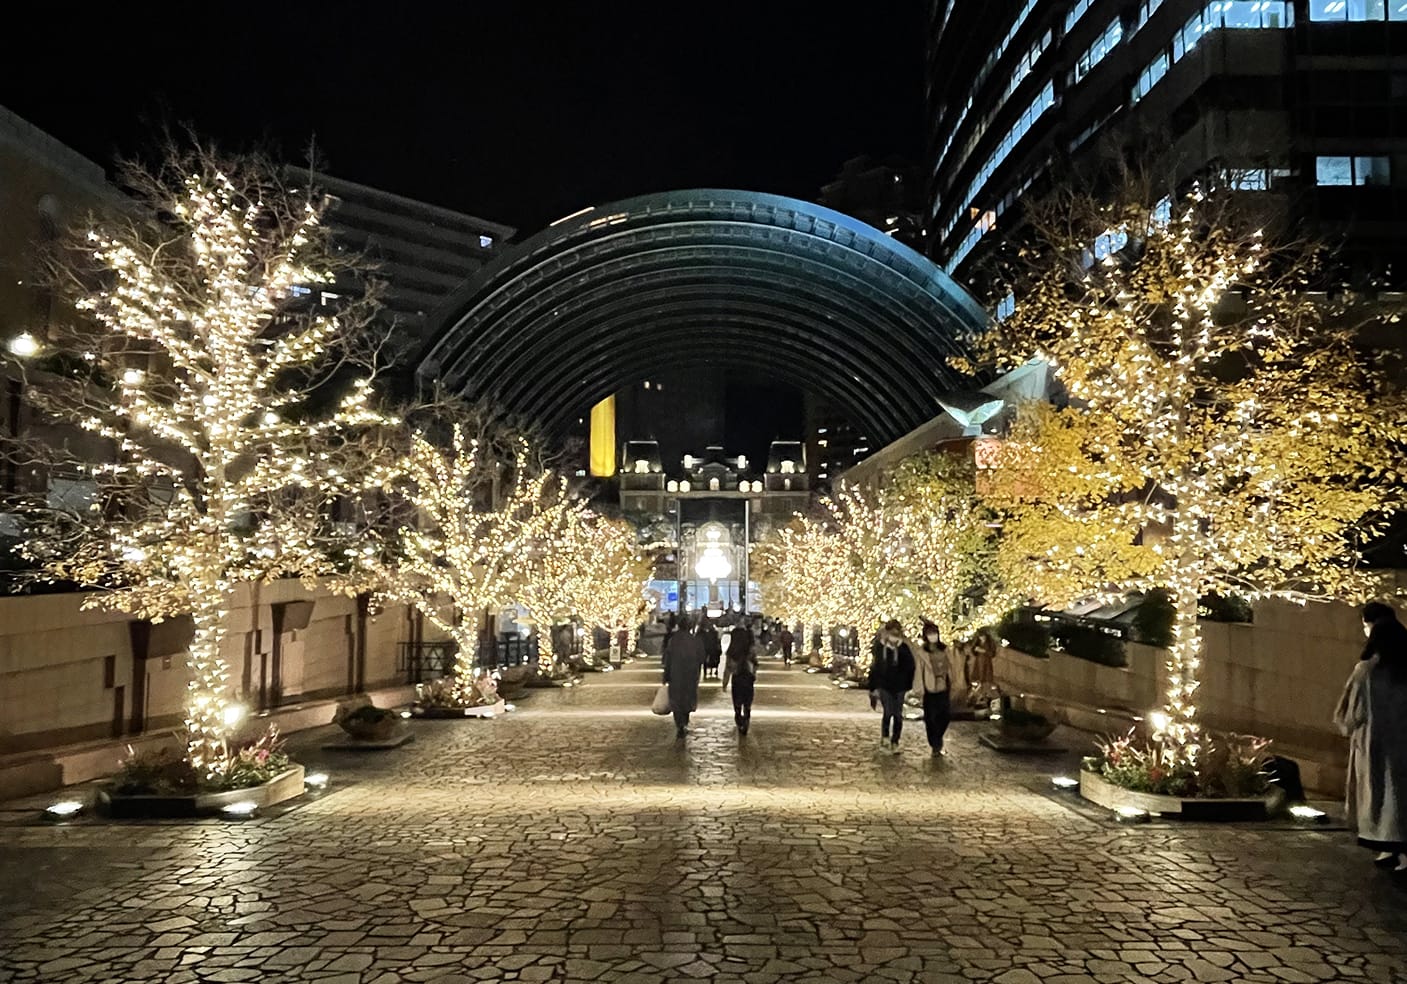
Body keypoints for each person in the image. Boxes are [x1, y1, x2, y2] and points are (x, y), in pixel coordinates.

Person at [1335, 601, 1407, 870]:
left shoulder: (1366, 671)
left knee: (1381, 796)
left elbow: (1350, 713)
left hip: (1375, 744)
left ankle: (1388, 846)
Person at [867, 619, 916, 754]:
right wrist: (873, 687)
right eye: (892, 632)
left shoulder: (904, 649)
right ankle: (885, 737)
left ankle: (895, 741)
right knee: (888, 712)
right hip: (884, 686)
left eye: (897, 632)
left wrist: (908, 686)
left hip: (900, 687)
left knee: (898, 715)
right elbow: (875, 668)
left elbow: (911, 667)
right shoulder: (880, 648)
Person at [913, 621, 952, 756]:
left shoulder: (946, 650)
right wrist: (919, 689)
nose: (932, 636)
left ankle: (938, 738)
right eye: (930, 634)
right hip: (929, 687)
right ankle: (935, 744)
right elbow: (919, 671)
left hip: (944, 686)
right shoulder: (922, 653)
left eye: (934, 633)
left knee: (945, 716)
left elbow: (953, 667)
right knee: (931, 718)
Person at [663, 616, 705, 740]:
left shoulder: (673, 640)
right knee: (687, 699)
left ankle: (679, 724)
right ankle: (684, 722)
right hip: (690, 675)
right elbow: (701, 657)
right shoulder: (695, 640)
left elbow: (668, 659)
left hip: (676, 675)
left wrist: (666, 675)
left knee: (676, 700)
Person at [722, 625, 759, 735]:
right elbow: (755, 664)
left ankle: (739, 719)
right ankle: (746, 718)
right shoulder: (750, 650)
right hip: (748, 678)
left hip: (737, 678)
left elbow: (728, 667)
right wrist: (753, 672)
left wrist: (725, 682)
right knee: (747, 701)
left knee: (737, 701)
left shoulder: (732, 651)